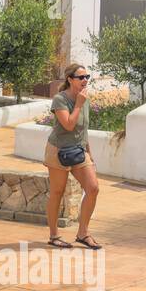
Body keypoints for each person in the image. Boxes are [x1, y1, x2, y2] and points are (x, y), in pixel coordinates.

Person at [44, 63, 102, 250]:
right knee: (57, 191)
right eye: (81, 77)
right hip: (58, 150)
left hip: (78, 150)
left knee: (93, 188)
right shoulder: (60, 99)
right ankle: (54, 236)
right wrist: (78, 104)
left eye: (87, 77)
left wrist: (90, 156)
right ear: (70, 79)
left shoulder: (84, 99)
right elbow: (68, 124)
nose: (85, 80)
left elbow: (82, 129)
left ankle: (83, 233)